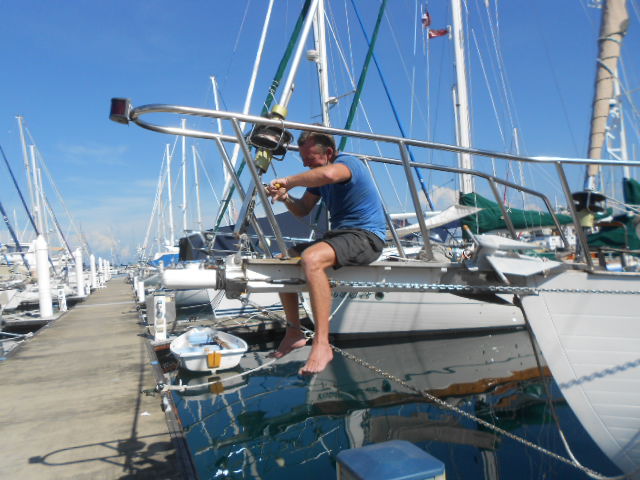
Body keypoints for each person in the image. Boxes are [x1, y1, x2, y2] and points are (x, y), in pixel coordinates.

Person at [266, 130, 386, 374]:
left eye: (310, 160)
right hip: (340, 236)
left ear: (329, 153)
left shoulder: (347, 163)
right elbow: (302, 210)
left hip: (366, 236)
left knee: (312, 258)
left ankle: (322, 344)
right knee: (281, 261)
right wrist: (286, 197)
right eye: (304, 161)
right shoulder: (319, 182)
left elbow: (329, 173)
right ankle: (294, 331)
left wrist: (288, 180)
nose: (305, 165)